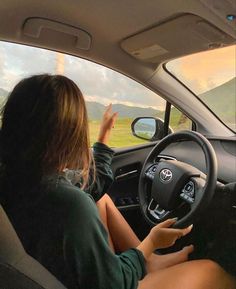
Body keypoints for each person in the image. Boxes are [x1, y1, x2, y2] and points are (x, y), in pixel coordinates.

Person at [0, 74, 235, 289]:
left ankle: (149, 262)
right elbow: (114, 283)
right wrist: (151, 241)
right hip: (112, 282)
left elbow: (92, 188)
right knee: (209, 270)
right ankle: (146, 257)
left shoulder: (17, 178)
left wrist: (102, 140)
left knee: (100, 200)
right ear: (70, 132)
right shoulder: (68, 204)